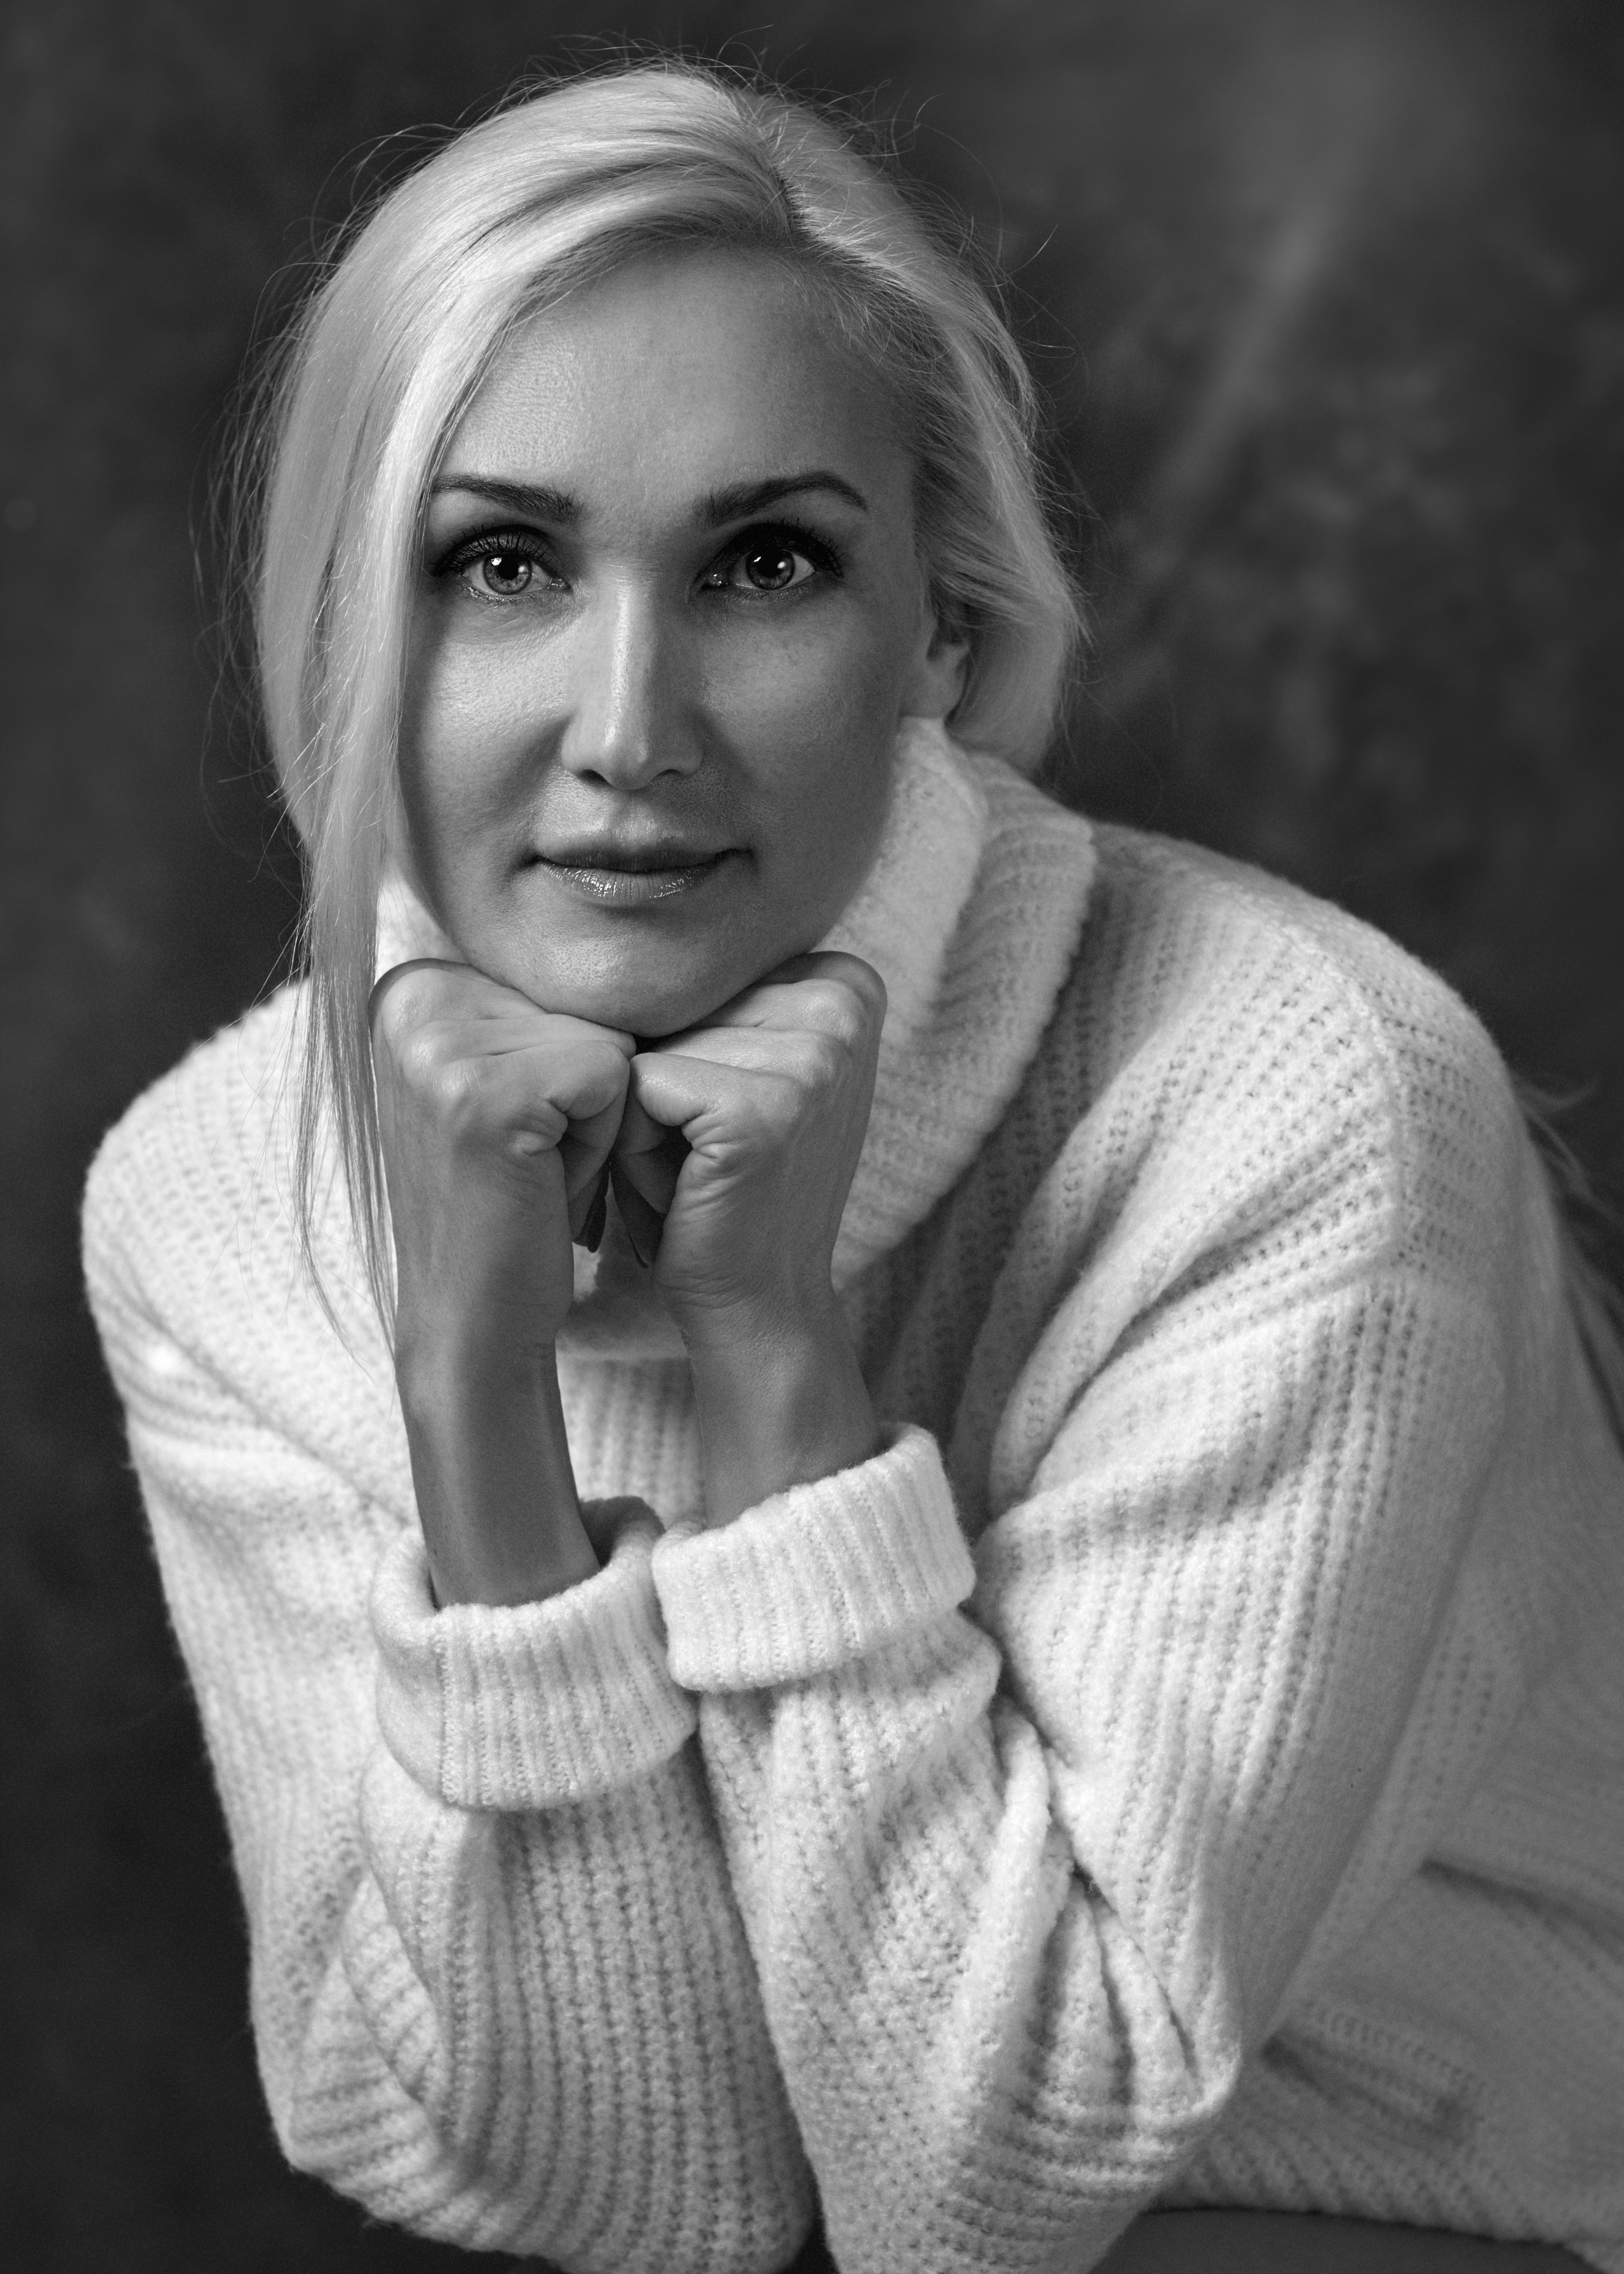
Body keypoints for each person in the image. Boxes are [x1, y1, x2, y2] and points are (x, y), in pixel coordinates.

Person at [82, 58, 1622, 2274]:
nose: (631, 729)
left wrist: (775, 1358)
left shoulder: (1298, 1098)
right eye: (502, 563)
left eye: (766, 563)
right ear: (351, 638)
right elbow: (630, 2195)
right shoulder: (218, 1200)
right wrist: (472, 1403)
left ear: (943, 633)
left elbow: (990, 2185)